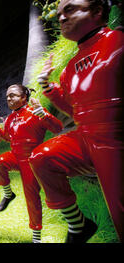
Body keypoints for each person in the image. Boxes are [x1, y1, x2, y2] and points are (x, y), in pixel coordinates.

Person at [29, 0, 123, 243]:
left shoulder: (117, 41)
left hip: (115, 135)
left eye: (70, 9)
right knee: (42, 158)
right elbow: (74, 110)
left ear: (98, 11)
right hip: (88, 137)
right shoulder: (69, 69)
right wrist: (48, 88)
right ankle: (78, 225)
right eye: (59, 13)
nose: (61, 18)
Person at [0, 84, 63, 243]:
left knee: (32, 196)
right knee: (0, 161)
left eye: (13, 95)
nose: (9, 98)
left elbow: (58, 127)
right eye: (8, 96)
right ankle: (8, 194)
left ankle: (36, 237)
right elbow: (8, 138)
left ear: (24, 97)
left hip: (31, 160)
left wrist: (43, 113)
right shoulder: (10, 118)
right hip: (15, 156)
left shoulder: (34, 113)